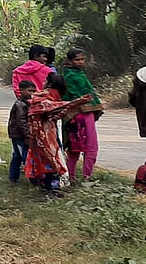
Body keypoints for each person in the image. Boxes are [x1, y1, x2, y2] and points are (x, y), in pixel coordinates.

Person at [25, 73, 87, 191]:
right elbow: (49, 108)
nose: (42, 83)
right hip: (45, 131)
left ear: (49, 83)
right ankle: (50, 185)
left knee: (48, 157)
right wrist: (72, 104)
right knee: (50, 157)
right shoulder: (51, 96)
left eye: (45, 81)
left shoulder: (48, 96)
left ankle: (49, 185)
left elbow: (49, 109)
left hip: (43, 131)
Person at [62, 48, 102, 181]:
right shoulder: (72, 76)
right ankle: (87, 176)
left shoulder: (70, 74)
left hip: (71, 115)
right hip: (82, 114)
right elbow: (81, 94)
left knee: (74, 147)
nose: (80, 62)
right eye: (77, 60)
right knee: (91, 146)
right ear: (70, 61)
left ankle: (70, 176)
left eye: (82, 59)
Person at [8, 81, 33, 182]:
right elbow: (21, 122)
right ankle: (33, 179)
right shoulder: (20, 105)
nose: (32, 93)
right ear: (21, 90)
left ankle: (13, 177)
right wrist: (27, 136)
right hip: (18, 135)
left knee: (17, 155)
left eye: (33, 91)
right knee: (24, 156)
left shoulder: (25, 103)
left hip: (19, 134)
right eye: (29, 91)